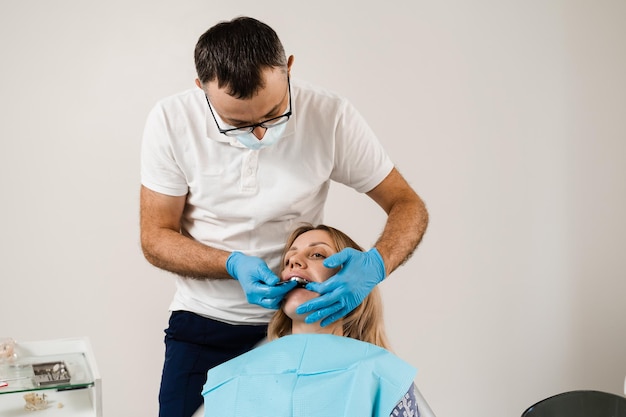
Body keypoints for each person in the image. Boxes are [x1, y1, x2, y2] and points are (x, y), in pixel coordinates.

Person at [140, 16, 428, 417]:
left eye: (275, 113)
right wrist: (230, 263)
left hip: (303, 325)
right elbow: (156, 237)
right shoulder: (171, 122)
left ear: (288, 68)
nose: (259, 134)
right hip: (207, 323)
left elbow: (407, 204)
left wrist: (377, 264)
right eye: (238, 124)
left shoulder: (331, 117)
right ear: (201, 88)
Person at [202, 224, 436, 416]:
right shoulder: (228, 379)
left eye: (317, 254)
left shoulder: (382, 377)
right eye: (288, 261)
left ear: (355, 281)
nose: (294, 262)